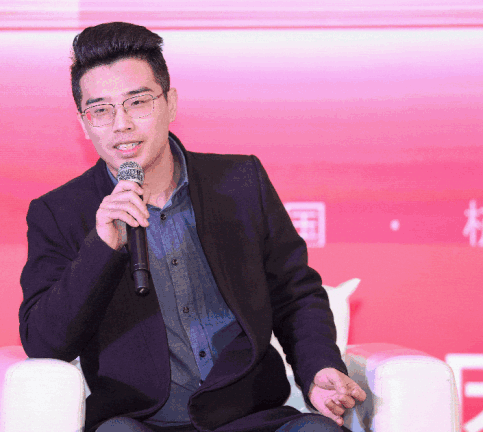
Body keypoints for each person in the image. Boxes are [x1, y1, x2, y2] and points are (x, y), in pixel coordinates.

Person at [18, 22, 366, 432]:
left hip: (251, 417)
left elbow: (294, 294)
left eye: (138, 102)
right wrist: (101, 247)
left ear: (171, 104)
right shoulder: (58, 212)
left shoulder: (239, 182)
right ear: (83, 122)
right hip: (141, 422)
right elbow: (44, 342)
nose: (121, 124)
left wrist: (319, 368)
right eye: (101, 110)